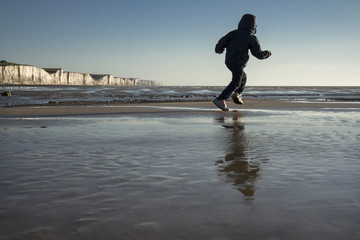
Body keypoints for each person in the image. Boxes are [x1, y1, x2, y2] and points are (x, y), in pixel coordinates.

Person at [213, 14, 272, 111]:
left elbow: (221, 42)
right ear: (254, 26)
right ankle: (220, 99)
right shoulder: (251, 38)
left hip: (229, 61)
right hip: (238, 63)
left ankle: (238, 93)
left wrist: (219, 50)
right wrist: (268, 53)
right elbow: (258, 54)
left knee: (243, 77)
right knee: (236, 82)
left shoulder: (233, 33)